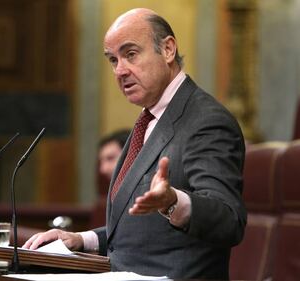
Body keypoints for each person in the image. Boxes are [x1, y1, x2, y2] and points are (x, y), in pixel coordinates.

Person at [24, 8, 246, 279]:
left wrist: (174, 202)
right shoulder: (149, 118)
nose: (120, 70)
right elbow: (141, 235)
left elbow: (228, 220)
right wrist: (82, 240)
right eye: (113, 60)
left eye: (130, 54)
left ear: (167, 50)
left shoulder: (206, 121)